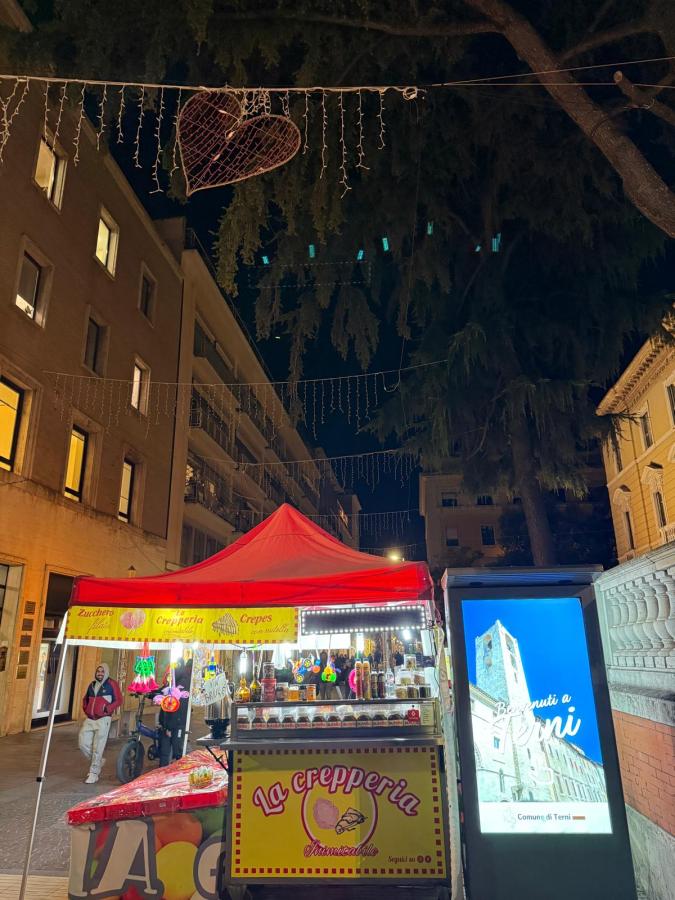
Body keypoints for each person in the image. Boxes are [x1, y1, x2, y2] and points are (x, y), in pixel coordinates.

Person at [79, 662, 122, 784]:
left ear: (106, 672)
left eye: (102, 671)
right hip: (90, 719)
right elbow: (85, 699)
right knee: (82, 743)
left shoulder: (112, 684)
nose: (100, 673)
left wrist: (107, 709)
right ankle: (98, 761)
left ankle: (94, 773)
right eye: (98, 671)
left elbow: (119, 700)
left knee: (98, 747)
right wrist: (86, 708)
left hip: (103, 719)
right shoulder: (92, 685)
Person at [159, 659, 192, 767]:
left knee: (165, 751)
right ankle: (174, 773)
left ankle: (162, 774)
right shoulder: (184, 682)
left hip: (167, 721)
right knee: (177, 751)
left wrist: (166, 725)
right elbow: (179, 707)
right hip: (176, 722)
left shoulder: (175, 680)